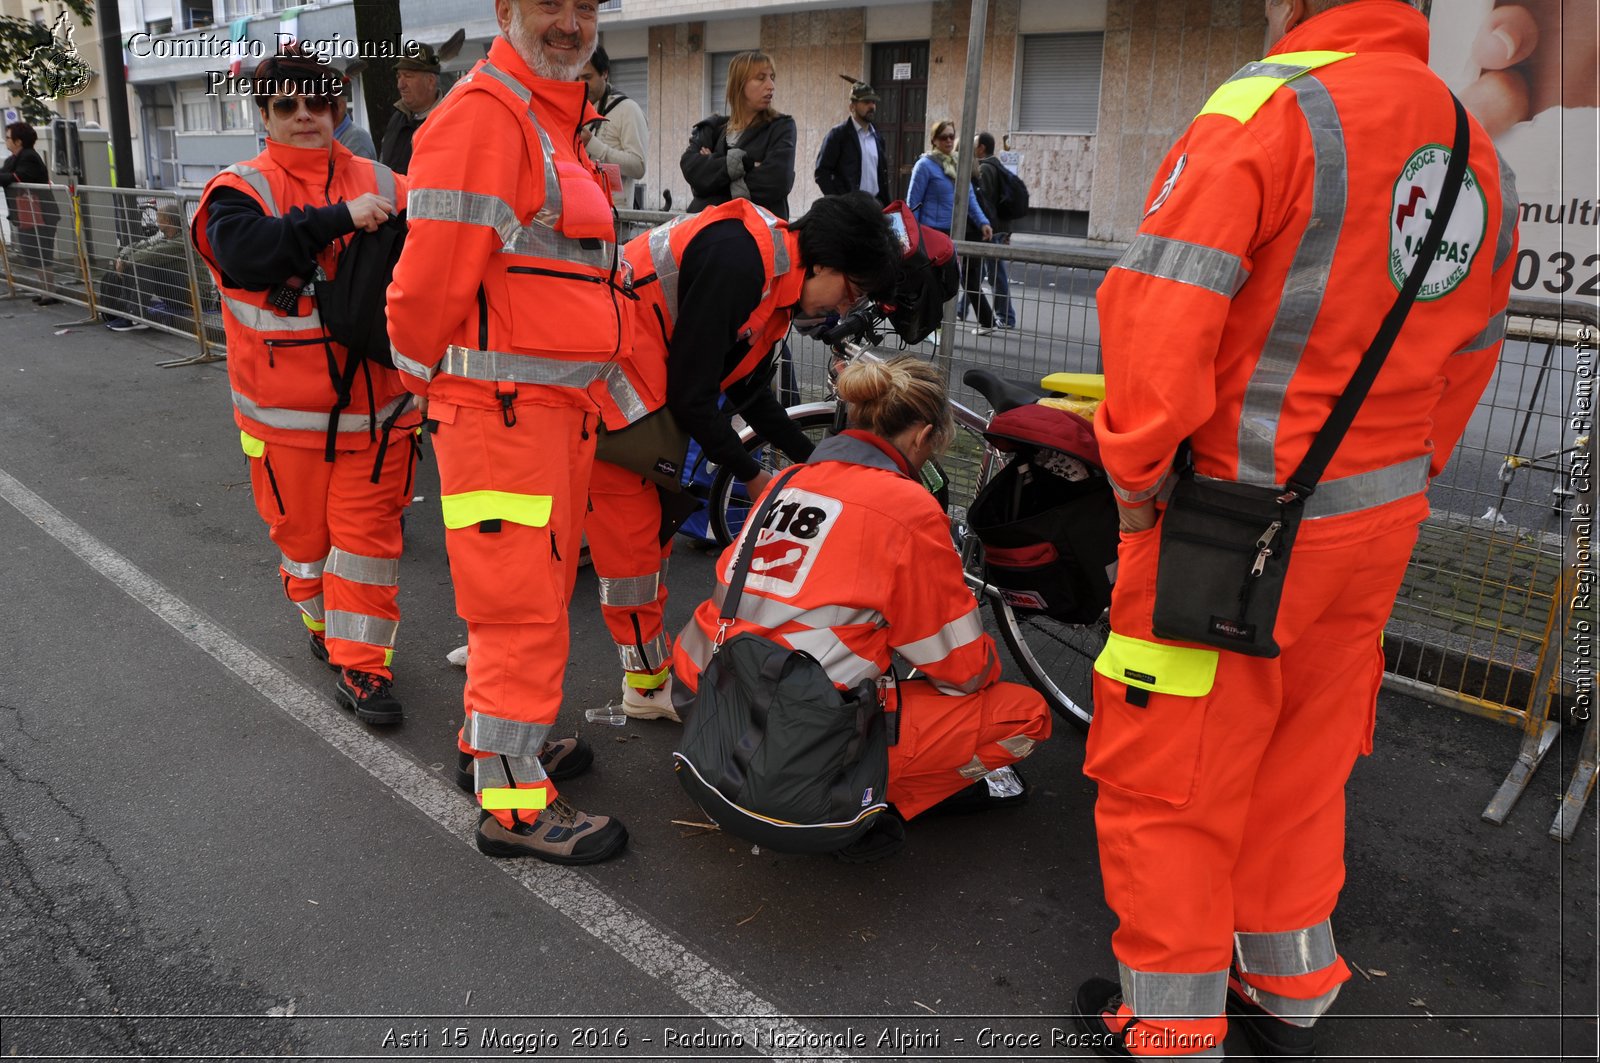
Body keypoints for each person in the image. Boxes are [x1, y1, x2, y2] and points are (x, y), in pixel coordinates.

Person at [1071, 1, 1518, 1058]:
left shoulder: (1267, 105)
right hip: (1374, 521)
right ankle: (1285, 983)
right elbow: (1472, 350)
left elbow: (1159, 311)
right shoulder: (1470, 145)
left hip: (1226, 529)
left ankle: (1169, 1029)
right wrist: (1401, 473)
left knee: (1171, 773)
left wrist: (1135, 478)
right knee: (1302, 762)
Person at [386, 0, 631, 865]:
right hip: (505, 420)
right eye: (549, 5)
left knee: (528, 603)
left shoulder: (548, 120)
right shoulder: (491, 116)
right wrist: (433, 397)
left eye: (583, 7)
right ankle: (514, 800)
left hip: (543, 419)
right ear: (504, 12)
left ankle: (492, 746)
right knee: (518, 612)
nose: (569, 23)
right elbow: (423, 292)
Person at [671, 354, 1052, 860]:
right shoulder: (909, 509)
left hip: (708, 698)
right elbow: (961, 670)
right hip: (798, 738)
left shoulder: (786, 482)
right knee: (1023, 715)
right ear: (921, 437)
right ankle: (867, 801)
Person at [586, 191, 899, 722]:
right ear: (823, 261)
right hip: (609, 396)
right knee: (633, 555)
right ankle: (641, 688)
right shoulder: (741, 262)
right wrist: (754, 476)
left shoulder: (774, 271)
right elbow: (694, 397)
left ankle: (498, 647)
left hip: (627, 395)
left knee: (595, 546)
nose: (844, 309)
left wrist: (818, 461)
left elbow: (749, 392)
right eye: (851, 291)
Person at [191, 47, 419, 726]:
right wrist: (341, 220)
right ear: (263, 114)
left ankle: (362, 667)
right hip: (283, 424)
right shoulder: (238, 189)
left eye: (316, 104)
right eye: (286, 105)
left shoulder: (391, 181)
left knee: (367, 545)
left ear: (337, 109)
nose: (303, 117)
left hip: (380, 417)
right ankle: (321, 621)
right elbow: (244, 252)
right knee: (304, 546)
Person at [680, 50, 797, 219]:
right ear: (739, 84)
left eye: (772, 77)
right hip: (711, 230)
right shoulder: (714, 128)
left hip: (756, 233)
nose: (771, 85)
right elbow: (691, 169)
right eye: (761, 78)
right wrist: (746, 166)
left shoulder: (781, 126)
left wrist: (711, 177)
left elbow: (776, 181)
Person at [905, 119, 992, 333]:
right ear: (934, 140)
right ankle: (931, 324)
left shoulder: (956, 163)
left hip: (953, 232)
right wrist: (912, 234)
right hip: (931, 232)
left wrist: (983, 222)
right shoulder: (925, 165)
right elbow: (912, 202)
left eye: (952, 136)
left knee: (953, 279)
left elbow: (969, 198)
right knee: (933, 281)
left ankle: (939, 323)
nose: (949, 140)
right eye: (944, 137)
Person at [577, 45, 647, 209]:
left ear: (605, 73)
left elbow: (639, 166)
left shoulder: (628, 109)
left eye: (587, 77)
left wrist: (592, 144)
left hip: (615, 218)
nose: (581, 85)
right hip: (584, 210)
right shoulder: (579, 109)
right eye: (577, 78)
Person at [100, 202, 189, 331]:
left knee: (142, 265)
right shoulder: (165, 238)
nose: (156, 222)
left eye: (158, 218)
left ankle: (136, 316)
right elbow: (136, 245)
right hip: (174, 287)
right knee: (116, 272)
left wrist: (125, 261)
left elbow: (150, 254)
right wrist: (122, 257)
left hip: (189, 293)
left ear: (168, 221)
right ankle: (120, 312)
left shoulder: (183, 241)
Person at [1, 121, 62, 305]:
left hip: (41, 214)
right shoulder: (13, 159)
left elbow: (17, 177)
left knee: (42, 253)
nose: (6, 141)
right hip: (28, 215)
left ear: (18, 141)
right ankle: (46, 290)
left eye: (8, 137)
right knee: (32, 253)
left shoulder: (29, 157)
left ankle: (50, 292)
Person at [813, 78, 890, 205]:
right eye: (866, 102)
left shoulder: (878, 138)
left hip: (875, 208)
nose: (872, 106)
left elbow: (882, 178)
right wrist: (840, 203)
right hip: (849, 211)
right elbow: (822, 173)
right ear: (852, 106)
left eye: (873, 102)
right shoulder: (838, 135)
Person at [972, 133, 1016, 329]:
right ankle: (960, 309)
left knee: (994, 273)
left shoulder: (985, 169)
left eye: (973, 144)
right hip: (999, 228)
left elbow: (984, 203)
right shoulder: (998, 167)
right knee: (976, 272)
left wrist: (982, 227)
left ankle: (1006, 317)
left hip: (991, 229)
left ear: (981, 148)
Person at [379, 44, 443, 174]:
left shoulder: (448, 120)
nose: (400, 85)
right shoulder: (397, 118)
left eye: (408, 76)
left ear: (431, 81)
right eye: (399, 76)